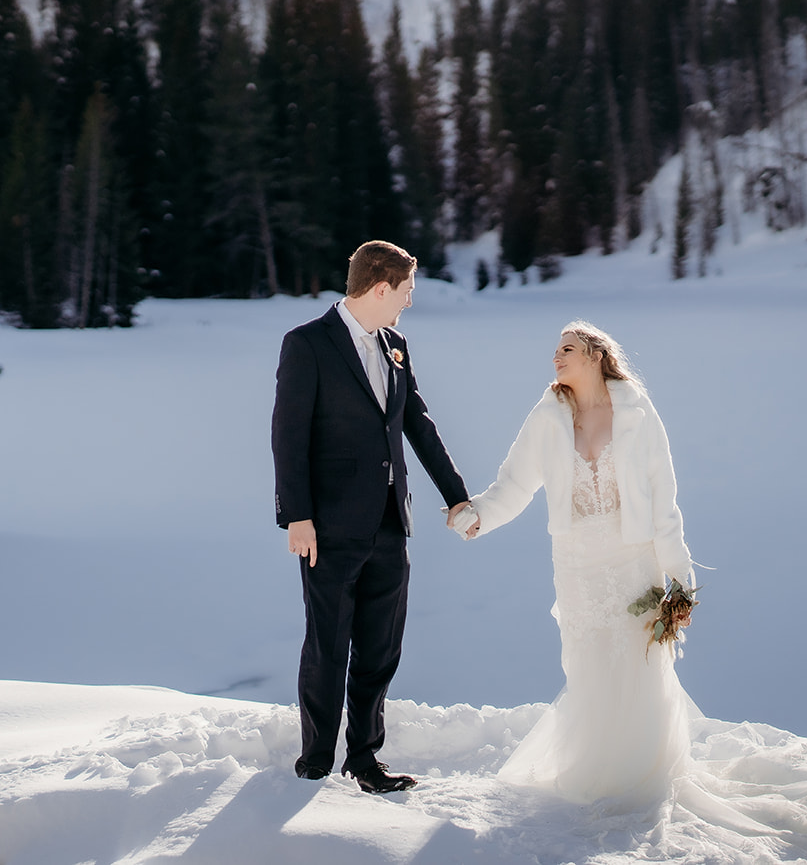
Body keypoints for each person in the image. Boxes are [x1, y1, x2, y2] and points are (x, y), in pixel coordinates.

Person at [448, 320, 696, 809]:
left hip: (631, 559)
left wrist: (679, 576)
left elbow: (664, 497)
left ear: (596, 355)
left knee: (637, 661)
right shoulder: (547, 417)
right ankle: (595, 769)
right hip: (578, 563)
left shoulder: (638, 413)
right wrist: (477, 517)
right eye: (555, 351)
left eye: (567, 348)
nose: (556, 357)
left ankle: (642, 770)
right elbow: (515, 483)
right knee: (589, 663)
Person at [272, 240, 472, 794]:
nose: (408, 303)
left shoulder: (396, 345)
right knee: (328, 645)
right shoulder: (307, 344)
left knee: (380, 648)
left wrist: (456, 496)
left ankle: (364, 760)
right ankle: (314, 763)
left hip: (390, 521)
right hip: (328, 526)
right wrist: (298, 517)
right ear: (380, 287)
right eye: (406, 292)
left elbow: (418, 425)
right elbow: (288, 437)